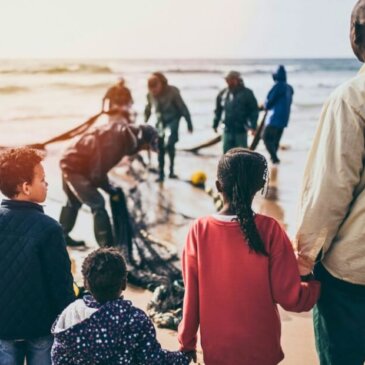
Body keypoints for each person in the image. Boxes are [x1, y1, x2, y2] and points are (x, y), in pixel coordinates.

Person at [178, 148, 320, 365]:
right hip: (262, 349)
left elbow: (192, 296)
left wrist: (186, 343)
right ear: (259, 188)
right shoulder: (271, 229)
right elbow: (289, 298)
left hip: (218, 350)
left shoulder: (199, 230)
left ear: (218, 186)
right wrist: (312, 283)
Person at [295, 2, 365, 363]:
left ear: (356, 36)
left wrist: (303, 259)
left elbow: (330, 192)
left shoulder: (352, 99)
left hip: (353, 274)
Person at [52, 247, 192, 365]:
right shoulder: (135, 319)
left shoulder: (70, 314)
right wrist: (183, 357)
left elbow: (58, 356)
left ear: (86, 284)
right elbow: (153, 359)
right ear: (124, 283)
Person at [0, 147, 75, 365]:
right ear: (26, 187)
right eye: (42, 180)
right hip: (41, 328)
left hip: (3, 327)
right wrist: (66, 323)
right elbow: (61, 284)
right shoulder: (49, 228)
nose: (47, 184)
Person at [59, 122, 158, 248]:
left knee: (73, 202)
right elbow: (97, 174)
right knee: (97, 203)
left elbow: (97, 167)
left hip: (70, 158)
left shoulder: (123, 133)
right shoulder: (117, 143)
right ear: (140, 139)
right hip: (73, 166)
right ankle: (106, 248)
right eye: (145, 147)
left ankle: (61, 237)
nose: (144, 150)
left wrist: (108, 186)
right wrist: (109, 189)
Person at [144, 72, 193, 182]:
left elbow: (183, 107)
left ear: (160, 84)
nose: (154, 92)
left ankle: (171, 171)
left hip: (173, 120)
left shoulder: (173, 91)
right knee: (160, 146)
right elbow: (148, 108)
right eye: (151, 90)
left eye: (155, 89)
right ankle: (161, 174)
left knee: (170, 143)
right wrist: (145, 122)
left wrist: (189, 123)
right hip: (160, 121)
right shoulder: (150, 94)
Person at [213, 71, 259, 153]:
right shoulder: (223, 93)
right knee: (226, 156)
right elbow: (218, 110)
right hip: (227, 130)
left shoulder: (247, 93)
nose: (227, 82)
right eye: (226, 80)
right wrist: (215, 124)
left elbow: (254, 111)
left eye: (230, 79)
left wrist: (253, 126)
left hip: (241, 130)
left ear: (237, 80)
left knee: (242, 155)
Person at [262, 65, 294, 164]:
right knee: (275, 140)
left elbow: (268, 103)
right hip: (284, 118)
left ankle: (274, 158)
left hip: (274, 118)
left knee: (266, 137)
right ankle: (274, 160)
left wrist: (264, 105)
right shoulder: (289, 88)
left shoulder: (277, 86)